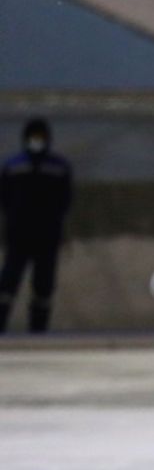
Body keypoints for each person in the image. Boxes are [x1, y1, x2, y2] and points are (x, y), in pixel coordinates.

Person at [0, 117, 73, 333]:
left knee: (43, 286)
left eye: (40, 137)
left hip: (47, 236)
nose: (37, 141)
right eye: (34, 137)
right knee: (8, 283)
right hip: (19, 235)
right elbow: (4, 197)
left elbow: (65, 200)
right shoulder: (14, 165)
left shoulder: (58, 167)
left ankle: (38, 330)